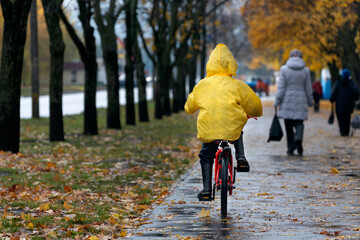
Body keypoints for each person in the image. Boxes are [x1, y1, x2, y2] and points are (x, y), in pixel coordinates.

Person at [184, 43, 263, 201]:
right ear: (232, 64)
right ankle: (241, 157)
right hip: (231, 128)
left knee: (206, 156)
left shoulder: (202, 85)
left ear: (210, 64)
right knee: (237, 130)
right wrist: (254, 113)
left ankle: (206, 190)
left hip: (210, 129)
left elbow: (189, 107)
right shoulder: (238, 85)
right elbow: (255, 106)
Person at [274, 49, 313, 155]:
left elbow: (281, 87)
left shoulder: (284, 69)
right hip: (301, 99)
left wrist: (277, 101)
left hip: (287, 100)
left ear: (290, 57)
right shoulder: (306, 70)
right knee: (299, 122)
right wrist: (310, 101)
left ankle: (291, 148)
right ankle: (298, 138)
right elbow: (308, 88)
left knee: (288, 126)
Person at [330, 69, 360, 136]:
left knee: (340, 119)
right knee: (347, 118)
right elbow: (356, 92)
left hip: (339, 105)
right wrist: (355, 98)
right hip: (348, 105)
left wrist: (332, 99)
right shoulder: (351, 83)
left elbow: (334, 93)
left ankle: (342, 131)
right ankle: (346, 131)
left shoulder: (338, 82)